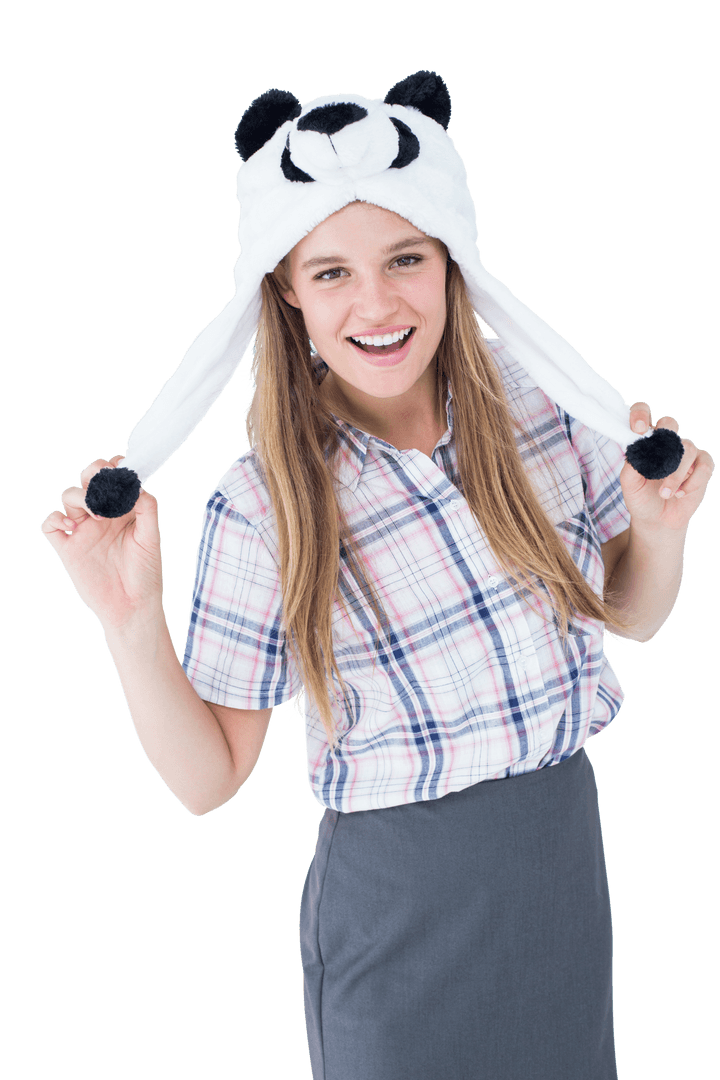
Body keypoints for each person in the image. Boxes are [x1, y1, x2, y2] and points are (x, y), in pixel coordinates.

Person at [40, 72, 713, 1079]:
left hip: (564, 877)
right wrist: (128, 619)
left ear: (451, 259)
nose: (378, 302)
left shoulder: (541, 412)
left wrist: (661, 532)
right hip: (399, 925)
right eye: (331, 274)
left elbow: (630, 614)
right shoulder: (262, 505)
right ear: (284, 293)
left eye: (405, 258)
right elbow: (208, 780)